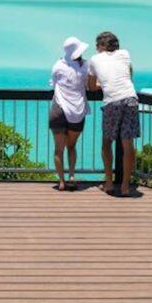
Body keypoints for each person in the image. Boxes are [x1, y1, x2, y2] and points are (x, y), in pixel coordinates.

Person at [87, 31, 138, 197]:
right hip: (130, 98)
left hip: (112, 101)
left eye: (97, 45)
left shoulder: (94, 60)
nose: (96, 49)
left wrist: (102, 85)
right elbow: (129, 75)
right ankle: (125, 186)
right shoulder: (125, 54)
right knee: (128, 144)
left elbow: (92, 87)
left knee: (106, 142)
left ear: (102, 45)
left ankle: (109, 183)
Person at [50, 36, 90, 191]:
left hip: (58, 109)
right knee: (71, 146)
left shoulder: (58, 65)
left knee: (58, 149)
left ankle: (61, 182)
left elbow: (53, 83)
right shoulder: (85, 66)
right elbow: (88, 85)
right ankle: (72, 175)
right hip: (77, 111)